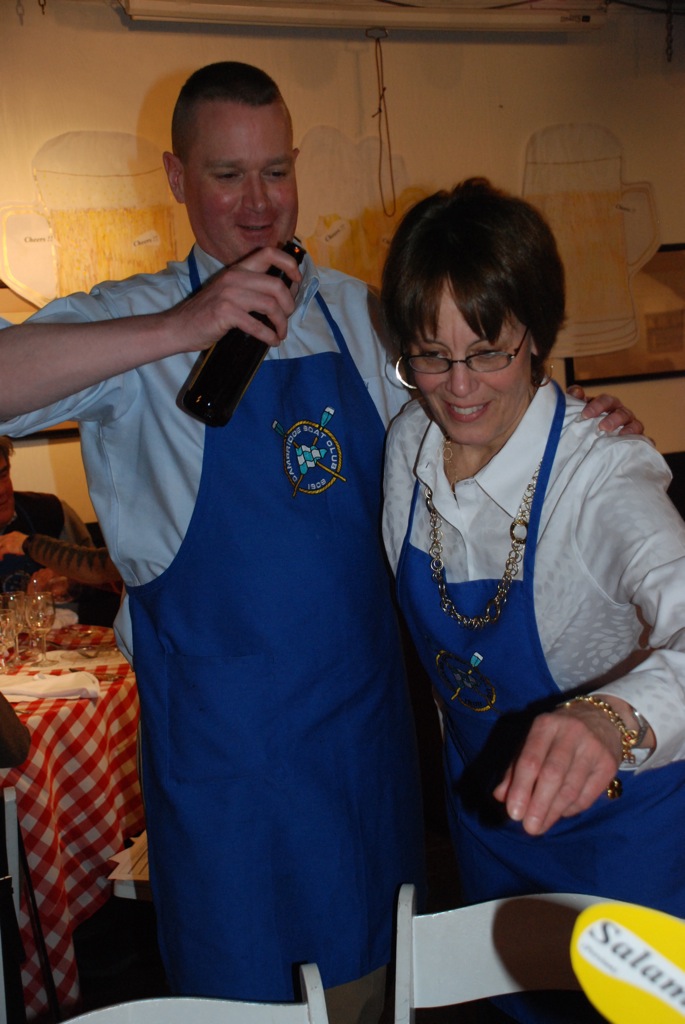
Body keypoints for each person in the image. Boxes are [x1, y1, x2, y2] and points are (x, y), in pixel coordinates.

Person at [0, 65, 641, 1023]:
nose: (259, 205)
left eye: (277, 171)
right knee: (244, 1003)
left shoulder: (360, 313)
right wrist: (184, 326)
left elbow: (474, 400)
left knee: (379, 993)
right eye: (227, 176)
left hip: (363, 756)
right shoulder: (129, 327)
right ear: (176, 177)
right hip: (228, 781)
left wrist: (576, 423)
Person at [380, 178, 685, 1023]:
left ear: (537, 336)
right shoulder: (408, 440)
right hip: (491, 838)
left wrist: (610, 719)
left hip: (625, 851)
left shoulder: (602, 478)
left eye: (489, 352)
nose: (459, 388)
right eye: (430, 355)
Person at [0, 436, 94, 593]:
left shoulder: (51, 511)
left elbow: (98, 575)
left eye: (3, 475)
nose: (2, 490)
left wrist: (70, 580)